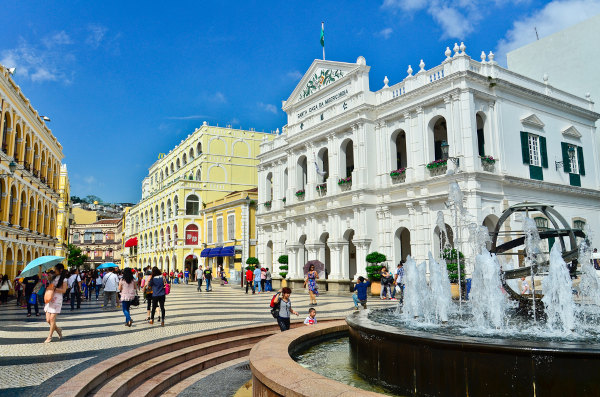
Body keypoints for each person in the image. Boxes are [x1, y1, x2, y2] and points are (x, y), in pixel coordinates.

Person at [44, 264, 68, 343]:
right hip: (49, 298)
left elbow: (64, 290)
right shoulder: (53, 277)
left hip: (57, 299)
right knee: (48, 320)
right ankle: (58, 330)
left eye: (56, 269)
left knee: (52, 319)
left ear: (60, 270)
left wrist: (55, 289)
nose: (54, 271)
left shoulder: (64, 279)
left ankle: (50, 336)